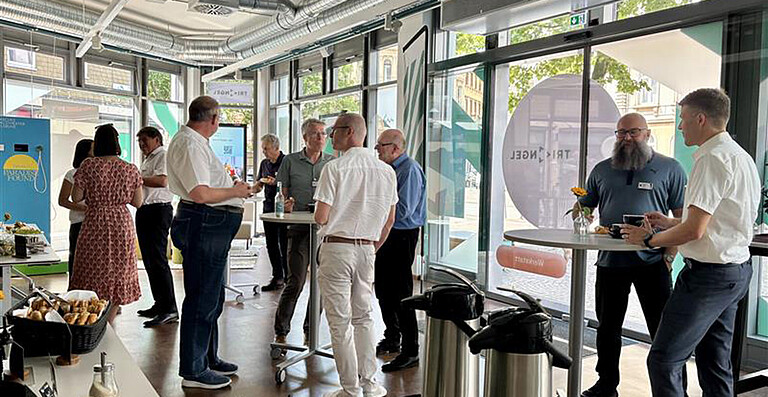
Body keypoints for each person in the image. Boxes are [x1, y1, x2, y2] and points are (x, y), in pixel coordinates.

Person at [624, 88, 759, 397]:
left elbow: (695, 231)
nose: (681, 126)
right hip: (734, 272)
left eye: (684, 119)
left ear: (701, 119)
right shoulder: (740, 156)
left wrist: (649, 239)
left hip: (708, 278)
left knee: (663, 360)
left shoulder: (711, 159)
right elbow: (719, 223)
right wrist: (671, 223)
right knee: (715, 362)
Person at [576, 113, 687, 397]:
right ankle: (606, 384)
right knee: (608, 328)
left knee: (663, 330)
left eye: (633, 132)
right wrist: (582, 213)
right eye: (621, 133)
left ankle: (674, 389)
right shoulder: (601, 170)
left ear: (647, 134)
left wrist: (670, 255)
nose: (626, 138)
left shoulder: (670, 169)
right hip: (610, 262)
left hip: (653, 262)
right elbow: (585, 206)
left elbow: (682, 219)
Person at [167, 96, 252, 390]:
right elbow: (201, 194)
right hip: (204, 222)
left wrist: (235, 191)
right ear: (214, 119)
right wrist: (234, 191)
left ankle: (207, 357)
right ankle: (193, 370)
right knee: (202, 297)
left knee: (212, 297)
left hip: (210, 224)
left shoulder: (196, 143)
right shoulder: (190, 143)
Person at [314, 113, 397, 397]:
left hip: (337, 248)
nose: (330, 136)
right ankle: (369, 384)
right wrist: (371, 248)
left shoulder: (334, 168)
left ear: (349, 132)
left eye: (333, 130)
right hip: (366, 249)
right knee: (363, 317)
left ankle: (349, 389)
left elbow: (321, 216)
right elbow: (389, 220)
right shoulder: (387, 171)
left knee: (340, 322)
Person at [71, 125, 143, 324]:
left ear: (98, 143)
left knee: (91, 268)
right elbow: (138, 202)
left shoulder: (88, 166)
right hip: (121, 223)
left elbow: (75, 197)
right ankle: (108, 321)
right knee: (119, 269)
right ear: (117, 143)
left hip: (95, 222)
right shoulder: (130, 169)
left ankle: (93, 318)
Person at [273, 118, 334, 345]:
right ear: (305, 137)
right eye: (315, 134)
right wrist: (286, 206)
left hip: (323, 230)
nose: (320, 138)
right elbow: (283, 193)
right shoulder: (290, 161)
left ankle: (312, 331)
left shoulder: (331, 162)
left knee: (320, 282)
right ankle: (281, 330)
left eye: (323, 134)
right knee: (296, 280)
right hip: (298, 228)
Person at [373, 129, 426, 372]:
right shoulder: (388, 170)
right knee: (383, 289)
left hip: (402, 236)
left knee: (401, 293)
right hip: (386, 232)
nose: (376, 149)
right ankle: (392, 336)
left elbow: (403, 211)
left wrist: (372, 208)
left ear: (395, 148)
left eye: (381, 145)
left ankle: (411, 350)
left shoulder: (409, 170)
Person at [135, 126, 177, 328]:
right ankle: (159, 303)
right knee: (150, 261)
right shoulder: (148, 159)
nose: (142, 144)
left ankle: (170, 309)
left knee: (158, 260)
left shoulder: (163, 156)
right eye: (139, 141)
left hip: (158, 211)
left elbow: (162, 181)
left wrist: (136, 179)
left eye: (145, 140)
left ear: (157, 139)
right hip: (145, 210)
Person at [253, 134, 287, 291]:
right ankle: (278, 277)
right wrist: (256, 186)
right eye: (263, 149)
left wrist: (277, 182)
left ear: (276, 148)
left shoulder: (287, 162)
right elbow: (260, 184)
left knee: (285, 244)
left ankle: (288, 276)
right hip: (268, 208)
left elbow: (290, 184)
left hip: (283, 209)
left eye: (266, 149)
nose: (264, 152)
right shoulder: (264, 163)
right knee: (271, 244)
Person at [58, 138, 92, 281]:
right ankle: (73, 287)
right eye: (93, 148)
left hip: (96, 223)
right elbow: (62, 200)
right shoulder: (72, 174)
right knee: (76, 256)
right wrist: (82, 208)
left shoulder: (99, 172)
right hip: (79, 221)